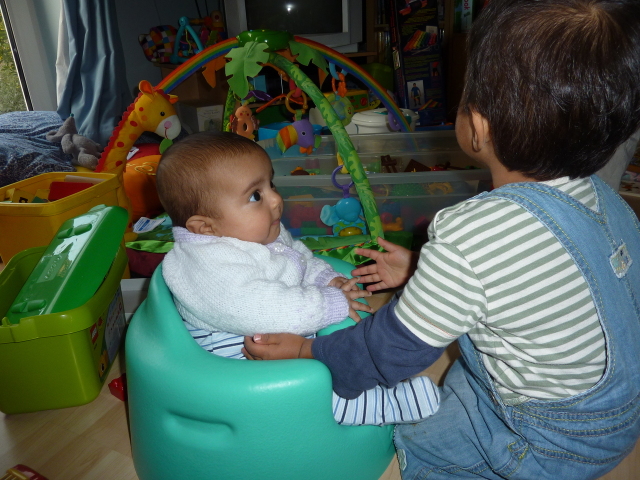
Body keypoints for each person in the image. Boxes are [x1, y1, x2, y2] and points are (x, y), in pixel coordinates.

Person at [244, 0, 640, 478]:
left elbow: (389, 349)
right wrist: (422, 270)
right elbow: (535, 282)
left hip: (547, 442)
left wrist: (307, 352)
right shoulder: (608, 199)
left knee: (421, 440)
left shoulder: (470, 234)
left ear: (478, 127)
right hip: (618, 411)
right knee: (463, 377)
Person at [156, 131, 440, 426]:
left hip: (276, 321)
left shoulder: (257, 232)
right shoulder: (209, 267)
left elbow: (299, 259)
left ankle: (368, 370)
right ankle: (376, 406)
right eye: (255, 196)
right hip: (238, 355)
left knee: (346, 341)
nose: (276, 199)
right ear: (206, 228)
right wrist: (330, 303)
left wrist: (327, 280)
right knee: (307, 391)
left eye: (271, 184)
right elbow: (262, 310)